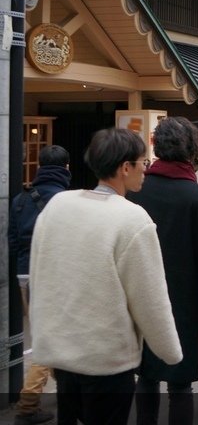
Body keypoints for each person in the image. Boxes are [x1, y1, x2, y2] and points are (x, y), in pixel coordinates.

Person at [30, 129, 181, 425]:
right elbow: (149, 298)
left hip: (62, 351)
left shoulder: (59, 205)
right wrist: (170, 351)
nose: (145, 170)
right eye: (142, 163)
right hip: (106, 357)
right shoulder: (132, 218)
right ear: (125, 167)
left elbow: (40, 275)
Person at [129, 117, 198, 425]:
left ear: (157, 147)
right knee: (179, 385)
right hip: (185, 300)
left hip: (141, 297)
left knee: (146, 377)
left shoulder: (136, 191)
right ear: (191, 150)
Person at [10, 145, 71, 425]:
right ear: (66, 168)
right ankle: (28, 403)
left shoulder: (21, 198)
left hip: (25, 274)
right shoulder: (64, 200)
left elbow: (12, 241)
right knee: (50, 337)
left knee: (49, 333)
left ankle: (65, 390)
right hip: (53, 273)